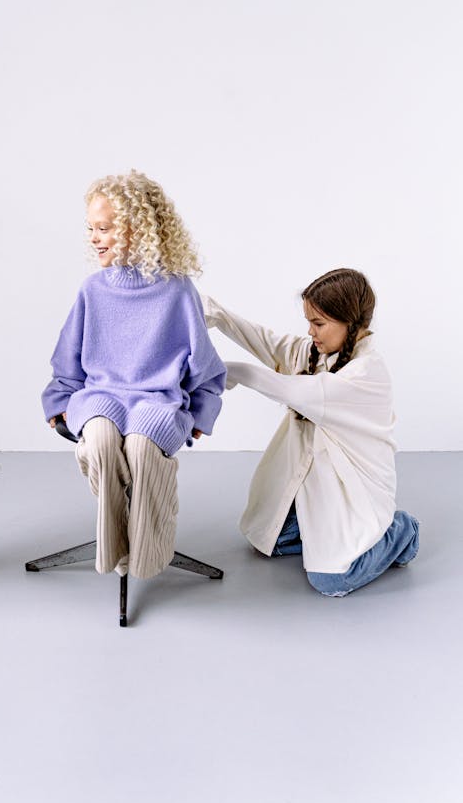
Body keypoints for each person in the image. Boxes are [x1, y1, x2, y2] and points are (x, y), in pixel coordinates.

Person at [42, 170, 226, 580]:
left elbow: (207, 369)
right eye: (91, 228)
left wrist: (202, 414)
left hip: (157, 399)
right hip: (101, 395)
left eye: (105, 228)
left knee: (143, 447)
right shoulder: (92, 290)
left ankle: (148, 551)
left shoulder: (178, 291)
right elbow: (67, 361)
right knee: (104, 441)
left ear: (138, 229)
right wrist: (57, 404)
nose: (94, 237)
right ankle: (119, 552)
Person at [203, 268, 419, 596]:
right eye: (309, 322)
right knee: (265, 541)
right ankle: (322, 533)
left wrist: (230, 372)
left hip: (352, 491)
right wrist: (216, 314)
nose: (310, 332)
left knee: (331, 580)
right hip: (313, 481)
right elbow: (267, 342)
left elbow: (298, 392)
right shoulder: (317, 353)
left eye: (318, 323)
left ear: (351, 322)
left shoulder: (366, 373)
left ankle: (401, 531)